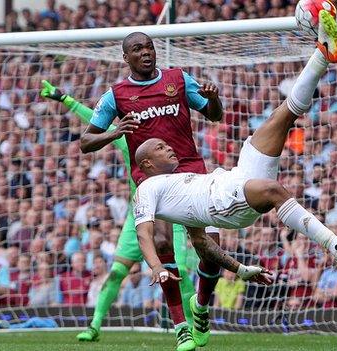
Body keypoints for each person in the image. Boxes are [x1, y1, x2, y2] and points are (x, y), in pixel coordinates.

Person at [133, 3, 337, 337]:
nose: (167, 145)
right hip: (224, 205)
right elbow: (144, 233)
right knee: (273, 191)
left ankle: (323, 53)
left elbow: (205, 247)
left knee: (281, 116)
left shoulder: (182, 178)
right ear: (147, 164)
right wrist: (156, 266)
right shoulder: (148, 190)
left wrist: (239, 269)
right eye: (159, 147)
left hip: (231, 177)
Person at [43, 29, 223, 350]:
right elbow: (85, 141)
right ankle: (180, 326)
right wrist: (115, 134)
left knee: (210, 250)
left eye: (149, 47)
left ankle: (201, 307)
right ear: (126, 57)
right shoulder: (116, 96)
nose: (145, 52)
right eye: (137, 49)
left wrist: (213, 99)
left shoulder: (178, 79)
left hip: (192, 171)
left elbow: (215, 116)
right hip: (152, 182)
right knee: (161, 240)